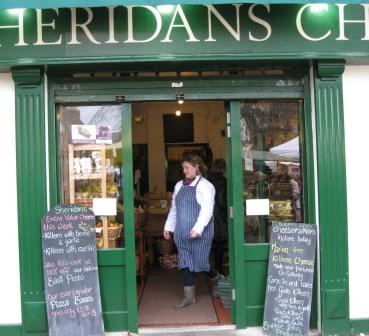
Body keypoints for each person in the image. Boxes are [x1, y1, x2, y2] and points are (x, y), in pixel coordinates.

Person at [163, 152, 220, 308]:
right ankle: (189, 298)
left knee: (201, 264)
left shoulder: (206, 186)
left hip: (200, 234)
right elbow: (174, 209)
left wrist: (198, 229)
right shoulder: (179, 186)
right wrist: (168, 227)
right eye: (183, 168)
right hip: (181, 233)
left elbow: (207, 210)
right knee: (185, 264)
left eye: (187, 168)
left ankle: (219, 280)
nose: (184, 171)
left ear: (197, 167)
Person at [207, 159, 228, 276]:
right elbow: (221, 201)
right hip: (219, 215)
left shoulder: (206, 180)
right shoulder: (222, 181)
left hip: (207, 215)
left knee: (208, 243)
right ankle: (218, 269)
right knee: (219, 244)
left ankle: (206, 268)